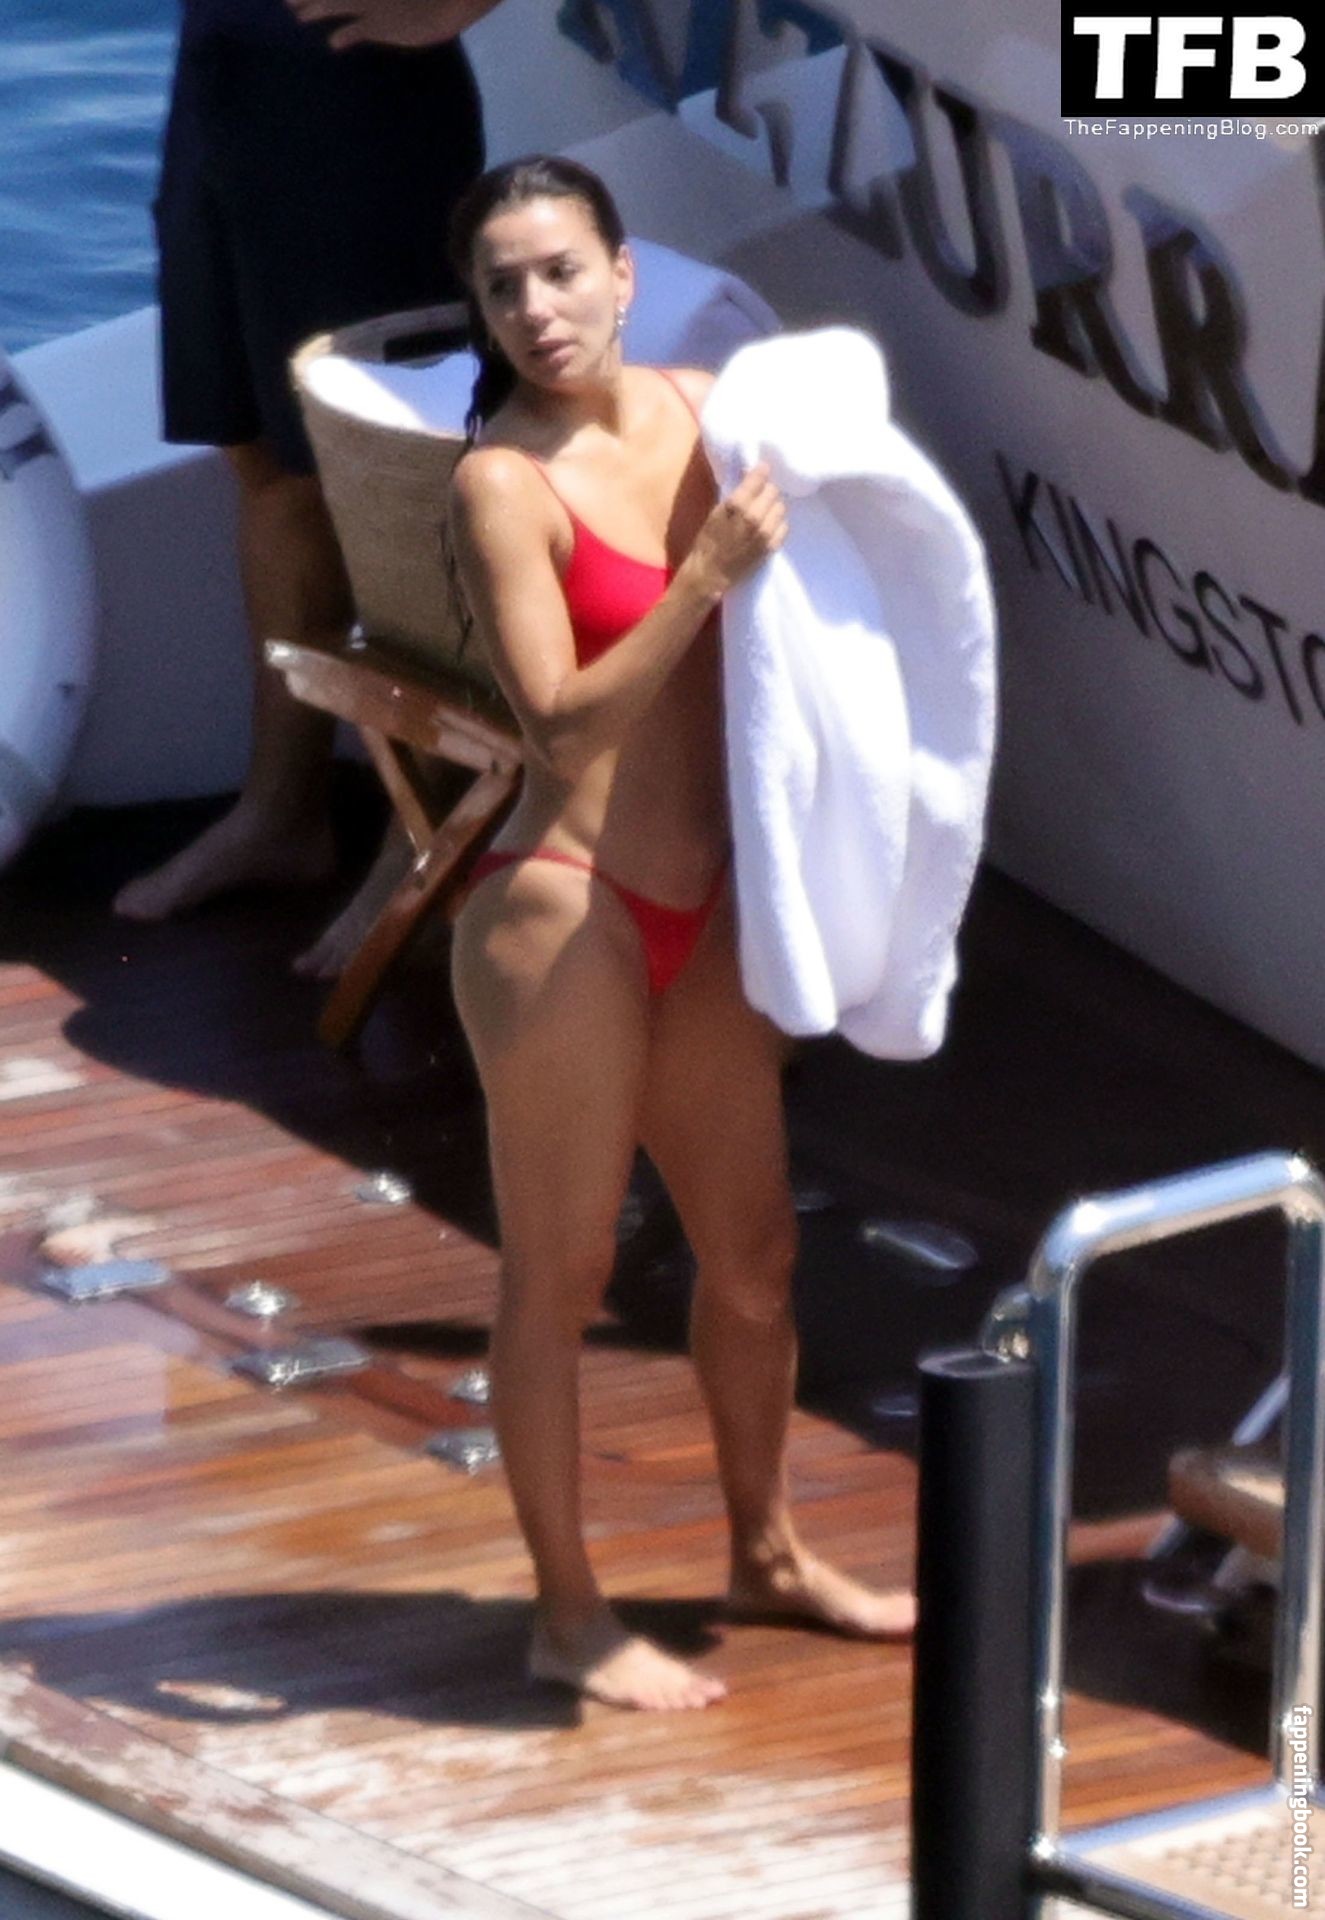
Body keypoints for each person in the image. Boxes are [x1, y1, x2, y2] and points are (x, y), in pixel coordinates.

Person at [446, 156, 917, 1713]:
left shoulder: (712, 413)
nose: (537, 308)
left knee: (757, 1256)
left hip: (709, 910)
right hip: (563, 903)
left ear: (623, 273)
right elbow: (558, 721)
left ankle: (767, 1552)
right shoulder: (501, 485)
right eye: (503, 286)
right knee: (562, 1272)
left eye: (560, 271)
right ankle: (566, 1612)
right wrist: (703, 575)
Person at [113, 0, 501, 949]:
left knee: (391, 477)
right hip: (221, 71)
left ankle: (423, 844)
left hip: (364, 103)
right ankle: (281, 815)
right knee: (261, 458)